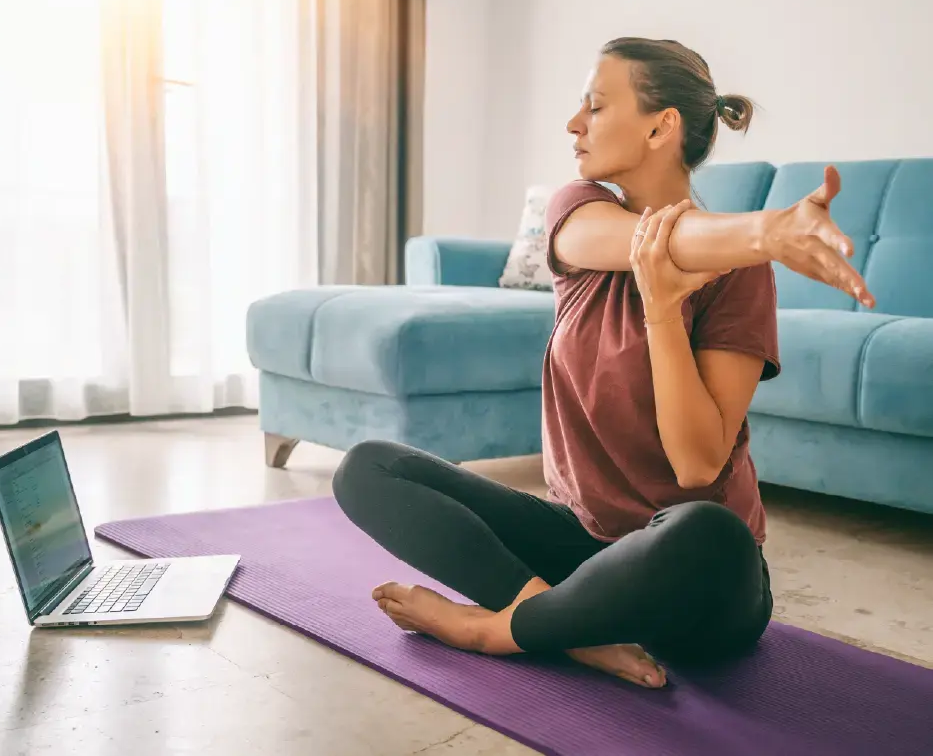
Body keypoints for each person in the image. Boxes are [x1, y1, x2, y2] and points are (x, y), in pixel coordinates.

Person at [331, 37, 875, 689]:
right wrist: (765, 230)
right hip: (581, 545)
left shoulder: (739, 276)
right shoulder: (578, 209)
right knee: (368, 467)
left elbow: (697, 464)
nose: (573, 123)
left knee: (710, 532)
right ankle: (557, 621)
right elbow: (657, 240)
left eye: (594, 105)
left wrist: (663, 312)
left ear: (659, 125)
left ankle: (494, 629)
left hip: (687, 574)